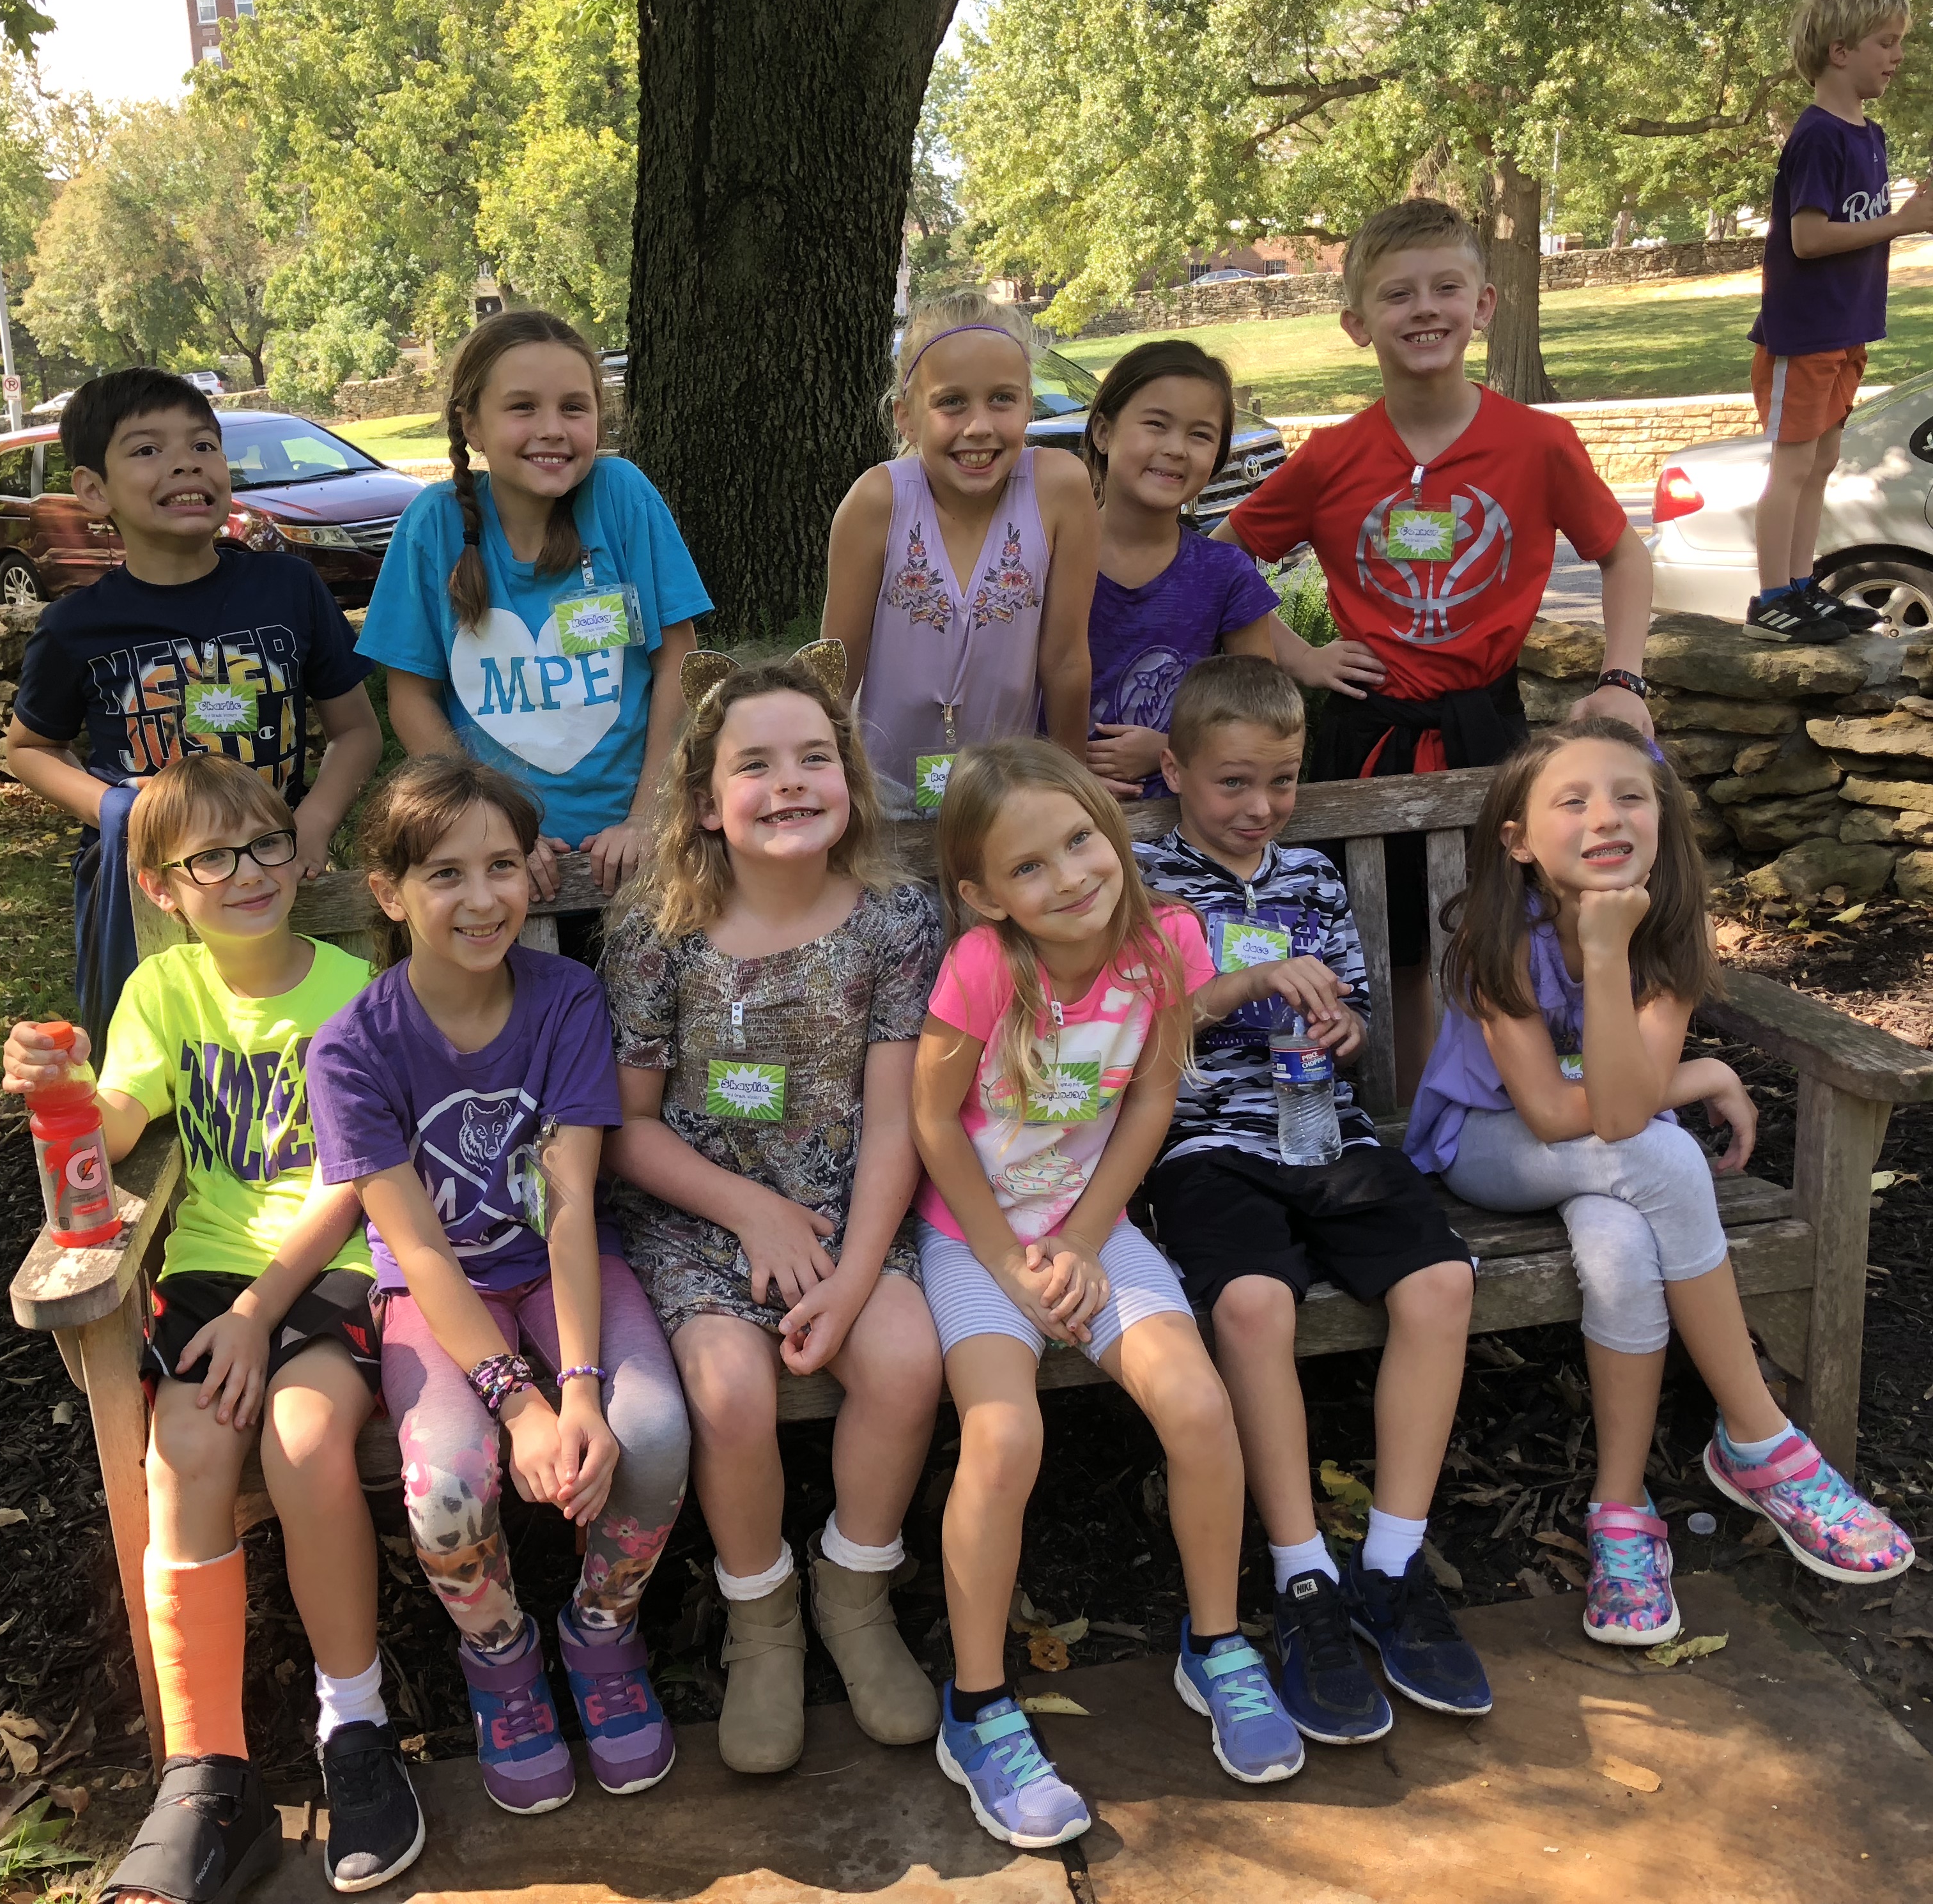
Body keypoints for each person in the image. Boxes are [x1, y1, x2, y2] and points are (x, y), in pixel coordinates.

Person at [1, 754, 420, 1901]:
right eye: (212, 859)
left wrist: (256, 1312)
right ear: (161, 886)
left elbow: (358, 1177)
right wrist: (58, 1083)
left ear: (300, 853)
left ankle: (355, 1725)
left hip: (332, 1265)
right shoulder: (163, 990)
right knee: (182, 1450)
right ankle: (207, 1776)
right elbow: (120, 1121)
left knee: (302, 1438)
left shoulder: (354, 990)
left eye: (267, 843)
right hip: (204, 1273)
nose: (249, 872)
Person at [1407, 718, 1914, 1646]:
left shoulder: (1668, 932)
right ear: (1518, 841)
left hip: (1614, 1151)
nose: (1607, 817)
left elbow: (1621, 1109)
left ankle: (1620, 1512)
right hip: (1489, 1144)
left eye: (1630, 797)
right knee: (1666, 1156)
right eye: (1573, 801)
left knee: (1619, 1242)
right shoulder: (1495, 939)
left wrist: (1629, 979)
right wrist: (1692, 1067)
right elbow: (1563, 1115)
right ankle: (1759, 1438)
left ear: (1662, 819)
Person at [912, 737, 1288, 1848]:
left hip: (1093, 1227)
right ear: (986, 895)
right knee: (1004, 1435)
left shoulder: (1165, 943)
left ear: (1112, 833)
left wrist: (1081, 1240)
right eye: (1029, 866)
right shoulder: (983, 968)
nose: (1071, 875)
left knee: (1200, 1407)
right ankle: (979, 1704)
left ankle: (1216, 1643)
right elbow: (932, 1121)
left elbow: (1152, 1095)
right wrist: (1006, 1259)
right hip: (971, 1236)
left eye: (1081, 841)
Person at [305, 755, 692, 1814]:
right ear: (388, 892)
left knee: (652, 1431)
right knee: (445, 1480)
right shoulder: (350, 1050)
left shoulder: (566, 998)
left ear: (533, 870)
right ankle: (501, 1659)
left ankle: (602, 1632)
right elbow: (421, 1251)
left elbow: (569, 1201)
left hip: (565, 1268)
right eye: (445, 873)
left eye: (503, 866)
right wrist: (519, 1406)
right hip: (437, 1295)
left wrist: (579, 1390)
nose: (482, 898)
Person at [1213, 197, 1654, 1093]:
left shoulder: (1537, 444)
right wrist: (1301, 658)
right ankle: (1414, 1121)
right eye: (1397, 294)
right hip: (1368, 735)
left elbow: (1623, 553)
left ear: (1483, 305)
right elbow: (1220, 564)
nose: (1424, 309)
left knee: (1511, 936)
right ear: (1356, 323)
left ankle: (1523, 1107)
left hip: (1489, 732)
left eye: (1446, 288)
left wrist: (1623, 676)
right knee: (1396, 951)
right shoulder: (1333, 457)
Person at [599, 646, 946, 1775]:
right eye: (754, 765)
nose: (789, 781)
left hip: (848, 1210)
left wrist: (854, 1276)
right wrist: (751, 1211)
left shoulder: (895, 921)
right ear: (706, 803)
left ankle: (857, 1591)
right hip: (702, 1211)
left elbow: (896, 1121)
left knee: (905, 1362)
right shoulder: (659, 930)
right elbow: (628, 1126)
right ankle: (763, 1616)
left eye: (813, 756)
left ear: (849, 778)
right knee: (731, 1391)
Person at [1133, 656, 1487, 1742]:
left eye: (1281, 781)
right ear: (1175, 771)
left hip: (1324, 1131)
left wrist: (1345, 1029)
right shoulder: (1143, 885)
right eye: (1234, 782)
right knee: (1253, 1304)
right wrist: (1241, 984)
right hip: (1202, 1144)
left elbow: (1360, 1012)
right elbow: (1136, 1037)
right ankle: (1302, 1574)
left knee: (1439, 1282)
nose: (1261, 806)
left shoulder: (1315, 881)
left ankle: (1390, 1562)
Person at [4, 366, 382, 1057]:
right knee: (155, 1066)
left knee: (299, 1052)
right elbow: (27, 748)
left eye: (204, 445)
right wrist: (119, 812)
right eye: (148, 449)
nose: (186, 462)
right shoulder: (75, 626)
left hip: (276, 876)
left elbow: (357, 730)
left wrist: (311, 827)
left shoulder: (289, 588)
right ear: (93, 490)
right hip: (147, 892)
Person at [361, 311, 709, 940]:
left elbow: (678, 667)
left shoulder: (620, 496)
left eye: (574, 408)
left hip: (639, 857)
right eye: (523, 407)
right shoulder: (433, 524)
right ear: (471, 424)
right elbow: (410, 698)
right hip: (501, 872)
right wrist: (491, 830)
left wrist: (648, 818)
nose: (552, 429)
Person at [1744, 0, 1933, 643]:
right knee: (1792, 469)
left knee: (1821, 465)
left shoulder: (1869, 135)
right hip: (1803, 333)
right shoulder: (1818, 135)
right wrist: (1901, 222)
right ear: (1840, 51)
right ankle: (1771, 602)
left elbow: (1864, 226)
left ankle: (1801, 590)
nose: (1897, 56)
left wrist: (1914, 217)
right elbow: (1809, 238)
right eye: (1886, 42)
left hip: (1847, 330)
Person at [823, 291, 1099, 818]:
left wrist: (1072, 792)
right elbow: (834, 675)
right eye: (951, 402)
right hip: (883, 797)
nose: (979, 426)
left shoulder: (1059, 490)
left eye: (1002, 399)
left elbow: (1065, 661)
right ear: (906, 418)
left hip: (1007, 798)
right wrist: (834, 796)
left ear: (1029, 405)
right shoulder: (877, 503)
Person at [1077, 339, 1379, 802]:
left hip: (1193, 826)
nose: (1176, 449)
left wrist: (1169, 750)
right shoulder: (1046, 560)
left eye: (1200, 435)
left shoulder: (1225, 574)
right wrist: (1067, 769)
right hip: (1061, 816)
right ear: (1103, 432)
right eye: (1156, 424)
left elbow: (1262, 719)